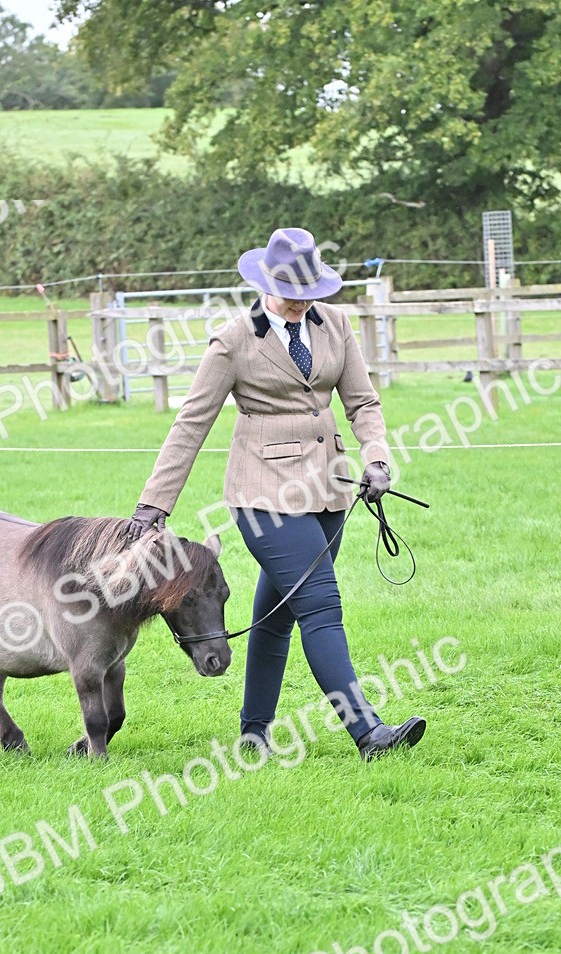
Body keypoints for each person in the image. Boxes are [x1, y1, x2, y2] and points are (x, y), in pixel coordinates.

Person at [126, 227, 426, 761]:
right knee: (321, 605)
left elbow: (362, 402)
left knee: (277, 613)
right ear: (267, 281)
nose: (304, 299)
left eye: (311, 288)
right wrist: (156, 503)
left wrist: (376, 458)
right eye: (293, 289)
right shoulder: (233, 340)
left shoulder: (336, 324)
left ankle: (253, 733)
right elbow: (191, 423)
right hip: (263, 496)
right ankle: (369, 732)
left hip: (329, 492)